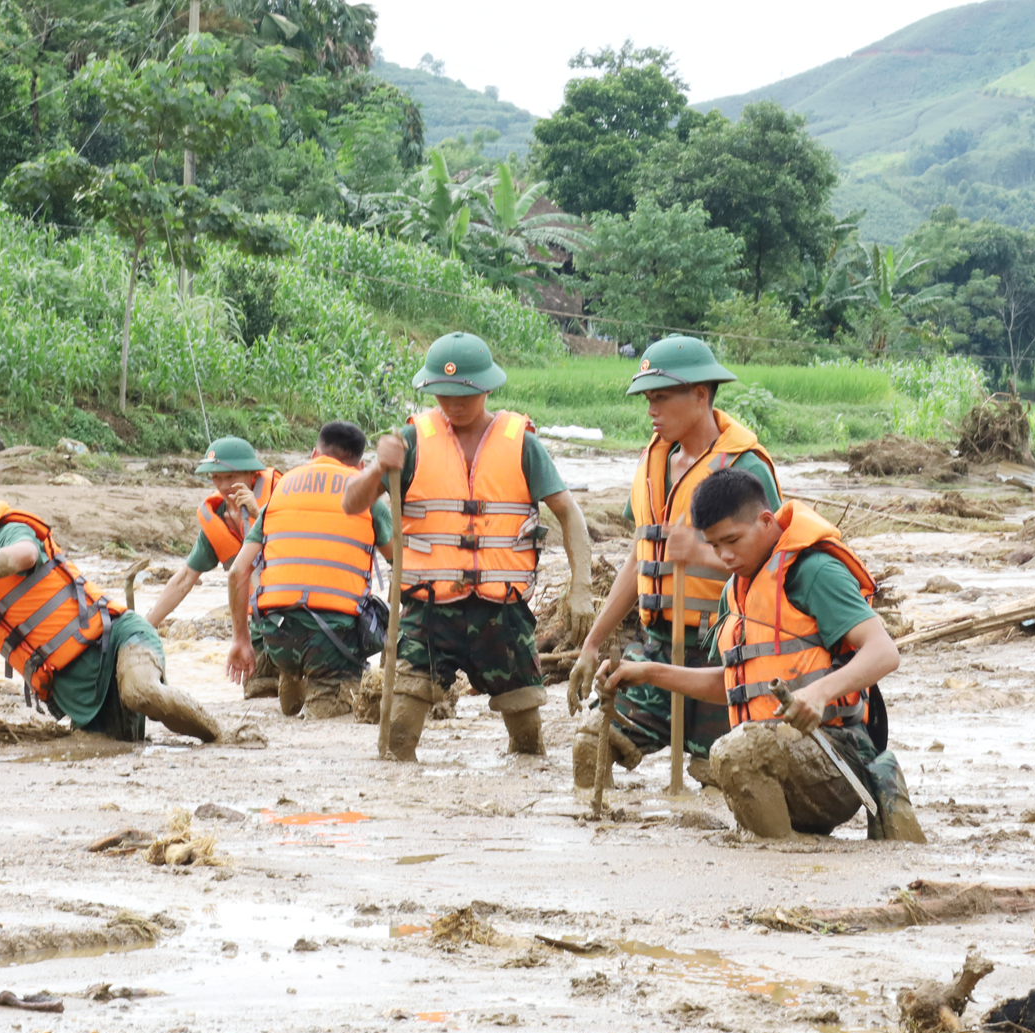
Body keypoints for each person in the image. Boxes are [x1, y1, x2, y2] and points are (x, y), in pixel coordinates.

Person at [599, 468, 925, 842]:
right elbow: (734, 684)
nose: (724, 555)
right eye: (714, 545)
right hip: (779, 761)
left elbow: (884, 652)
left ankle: (776, 856)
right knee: (738, 751)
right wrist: (647, 672)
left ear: (766, 521)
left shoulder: (814, 572)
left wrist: (819, 694)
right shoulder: (735, 591)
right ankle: (778, 848)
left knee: (736, 752)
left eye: (732, 540)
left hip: (838, 760)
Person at [340, 331, 597, 760]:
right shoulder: (412, 442)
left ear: (487, 387)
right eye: (442, 393)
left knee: (529, 740)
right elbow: (352, 504)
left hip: (502, 615)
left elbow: (569, 513)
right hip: (427, 613)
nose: (453, 404)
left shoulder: (523, 445)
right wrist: (378, 469)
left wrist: (581, 588)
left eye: (464, 394)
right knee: (398, 737)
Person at [569, 335, 780, 787]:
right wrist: (592, 641)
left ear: (700, 395)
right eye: (648, 399)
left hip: (723, 650)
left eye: (661, 398)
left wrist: (702, 552)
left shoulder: (744, 466)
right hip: (655, 645)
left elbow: (776, 562)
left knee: (728, 777)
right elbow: (638, 559)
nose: (651, 410)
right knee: (591, 748)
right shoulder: (652, 462)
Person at [0, 494, 220, 743]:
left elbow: (26, 555)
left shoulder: (3, 531)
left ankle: (222, 737)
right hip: (77, 693)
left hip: (116, 639)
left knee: (141, 692)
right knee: (114, 750)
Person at [224, 421, 394, 718]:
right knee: (333, 718)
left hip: (276, 633)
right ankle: (318, 685)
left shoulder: (281, 490)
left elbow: (237, 572)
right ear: (361, 465)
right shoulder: (367, 498)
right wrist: (396, 635)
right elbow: (403, 567)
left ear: (314, 453)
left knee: (278, 618)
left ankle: (291, 672)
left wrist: (241, 640)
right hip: (335, 641)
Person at [145, 436, 282, 698]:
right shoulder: (217, 519)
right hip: (262, 623)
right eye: (216, 478)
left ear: (253, 473)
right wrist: (146, 624)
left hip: (303, 614)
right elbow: (185, 578)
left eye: (231, 477)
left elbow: (300, 546)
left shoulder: (282, 498)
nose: (224, 486)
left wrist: (258, 513)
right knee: (259, 693)